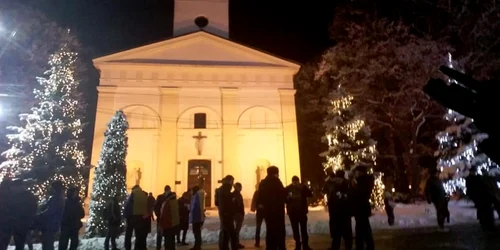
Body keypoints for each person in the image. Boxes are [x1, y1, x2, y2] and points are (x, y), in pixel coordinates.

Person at [0, 179, 38, 250]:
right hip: (17, 224)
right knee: (19, 243)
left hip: (14, 224)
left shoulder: (11, 196)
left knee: (7, 243)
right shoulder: (26, 196)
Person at [257, 166, 286, 250]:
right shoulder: (277, 182)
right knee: (279, 231)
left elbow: (260, 197)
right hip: (278, 212)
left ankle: (270, 247)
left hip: (268, 212)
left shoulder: (263, 183)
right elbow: (283, 194)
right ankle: (280, 247)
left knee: (270, 231)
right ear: (275, 173)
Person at [325, 170, 352, 250]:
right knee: (337, 236)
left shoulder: (346, 186)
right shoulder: (334, 186)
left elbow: (348, 199)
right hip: (337, 215)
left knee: (345, 235)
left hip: (343, 215)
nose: (337, 180)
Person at [285, 176, 313, 250]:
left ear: (298, 181)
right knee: (296, 230)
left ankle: (305, 245)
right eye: (294, 182)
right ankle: (298, 245)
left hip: (301, 212)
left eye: (296, 182)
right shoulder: (288, 188)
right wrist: (287, 198)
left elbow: (310, 194)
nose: (295, 184)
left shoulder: (302, 187)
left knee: (303, 230)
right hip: (293, 213)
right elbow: (284, 198)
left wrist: (306, 187)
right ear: (292, 182)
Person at [37, 180, 65, 250]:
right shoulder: (58, 197)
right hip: (52, 223)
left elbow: (51, 210)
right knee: (48, 242)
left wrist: (41, 214)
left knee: (47, 243)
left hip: (50, 224)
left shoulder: (56, 198)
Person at [351, 166, 375, 250]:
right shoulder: (364, 181)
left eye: (357, 172)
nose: (356, 173)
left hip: (361, 208)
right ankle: (363, 245)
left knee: (363, 228)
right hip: (361, 208)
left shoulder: (362, 181)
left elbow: (360, 194)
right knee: (362, 227)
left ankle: (367, 245)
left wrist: (354, 187)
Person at [124, 185, 150, 250]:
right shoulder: (143, 195)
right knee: (139, 235)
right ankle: (138, 247)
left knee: (128, 235)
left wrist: (126, 216)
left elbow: (128, 206)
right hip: (141, 218)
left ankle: (128, 247)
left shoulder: (133, 194)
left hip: (132, 217)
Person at [216, 176, 238, 250]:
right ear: (229, 181)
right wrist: (236, 191)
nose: (233, 183)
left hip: (225, 214)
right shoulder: (225, 189)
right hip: (227, 215)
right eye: (232, 181)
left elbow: (218, 203)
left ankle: (224, 247)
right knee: (232, 234)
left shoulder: (222, 189)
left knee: (225, 233)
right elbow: (229, 200)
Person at [155, 185, 172, 250]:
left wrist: (158, 214)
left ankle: (158, 247)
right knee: (164, 234)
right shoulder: (169, 198)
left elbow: (155, 207)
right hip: (165, 219)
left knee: (160, 234)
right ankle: (162, 247)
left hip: (160, 218)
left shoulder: (160, 197)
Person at [189, 186, 205, 250]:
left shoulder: (196, 197)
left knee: (197, 233)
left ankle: (197, 246)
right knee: (197, 233)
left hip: (197, 218)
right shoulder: (196, 197)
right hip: (196, 218)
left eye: (192, 190)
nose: (191, 192)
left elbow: (195, 208)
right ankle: (197, 245)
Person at [233, 182, 245, 249]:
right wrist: (241, 213)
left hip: (238, 213)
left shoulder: (236, 194)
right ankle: (235, 243)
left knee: (237, 230)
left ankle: (236, 242)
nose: (241, 188)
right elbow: (238, 205)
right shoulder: (236, 194)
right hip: (238, 214)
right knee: (237, 230)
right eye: (240, 187)